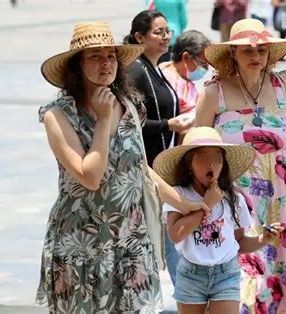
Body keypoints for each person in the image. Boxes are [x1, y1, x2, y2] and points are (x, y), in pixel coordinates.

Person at [35, 21, 209, 313]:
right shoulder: (58, 115)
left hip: (129, 239)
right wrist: (103, 121)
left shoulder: (128, 104)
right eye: (95, 56)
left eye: (111, 56)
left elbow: (139, 168)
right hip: (82, 242)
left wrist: (183, 202)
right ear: (77, 66)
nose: (106, 63)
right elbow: (90, 176)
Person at [196, 18, 286, 313]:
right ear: (233, 55)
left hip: (280, 194)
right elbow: (194, 146)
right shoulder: (215, 93)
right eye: (248, 51)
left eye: (262, 51)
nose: (256, 57)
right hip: (235, 197)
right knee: (244, 269)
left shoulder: (282, 86)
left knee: (279, 263)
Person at [153, 126, 284, 314]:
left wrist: (263, 240)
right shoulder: (179, 196)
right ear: (189, 164)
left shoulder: (234, 198)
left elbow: (239, 242)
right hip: (191, 274)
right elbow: (175, 235)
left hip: (226, 273)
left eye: (217, 159)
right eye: (203, 158)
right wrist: (207, 203)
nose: (211, 165)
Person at [124, 10, 194, 287]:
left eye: (167, 32)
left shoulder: (154, 67)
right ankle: (187, 295)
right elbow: (130, 121)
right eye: (158, 32)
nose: (165, 37)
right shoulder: (135, 70)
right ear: (139, 37)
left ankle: (187, 295)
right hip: (146, 168)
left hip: (162, 168)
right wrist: (168, 125)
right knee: (160, 237)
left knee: (167, 237)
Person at [160, 30, 211, 142]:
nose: (206, 70)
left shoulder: (183, 78)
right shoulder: (169, 82)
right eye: (203, 64)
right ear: (186, 57)